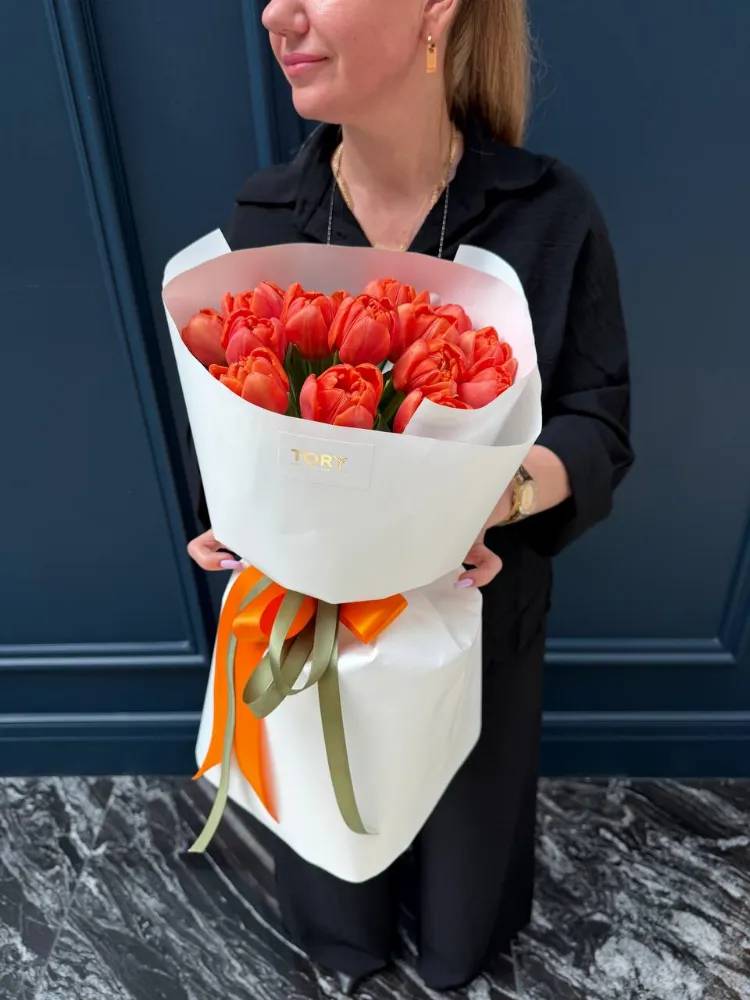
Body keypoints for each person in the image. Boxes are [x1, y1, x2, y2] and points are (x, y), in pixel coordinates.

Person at [184, 0, 636, 993]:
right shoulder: (264, 215)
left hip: (477, 614)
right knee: (331, 864)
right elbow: (230, 410)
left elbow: (599, 422)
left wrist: (495, 494)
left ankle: (456, 941)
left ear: (437, 11)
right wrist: (238, 511)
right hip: (311, 622)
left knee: (463, 884)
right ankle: (341, 937)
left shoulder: (549, 213)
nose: (276, 11)